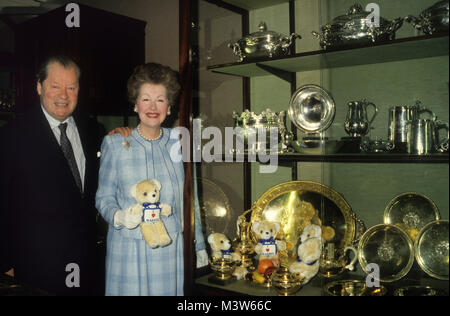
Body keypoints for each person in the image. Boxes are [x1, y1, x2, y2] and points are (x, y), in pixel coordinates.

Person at [96, 62, 207, 296]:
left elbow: (191, 201)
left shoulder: (181, 143)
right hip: (129, 251)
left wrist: (198, 245)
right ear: (135, 104)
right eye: (145, 99)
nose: (153, 106)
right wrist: (120, 216)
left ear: (170, 106)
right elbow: (103, 197)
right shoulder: (115, 144)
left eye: (160, 99)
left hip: (170, 250)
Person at [0, 55, 107, 295]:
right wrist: (5, 263)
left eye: (71, 87)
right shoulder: (12, 136)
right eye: (55, 86)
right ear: (39, 87)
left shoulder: (93, 130)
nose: (64, 95)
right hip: (36, 267)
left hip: (88, 263)